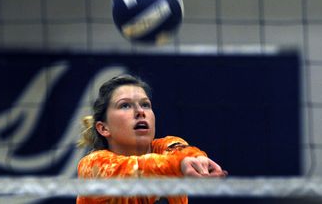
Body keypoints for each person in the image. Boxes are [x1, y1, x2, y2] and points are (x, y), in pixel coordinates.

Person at [76, 75, 226, 204]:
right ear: (103, 128)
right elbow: (137, 168)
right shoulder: (92, 166)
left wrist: (197, 160)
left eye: (145, 104)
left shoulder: (167, 146)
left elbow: (181, 151)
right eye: (125, 105)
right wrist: (180, 165)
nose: (140, 112)